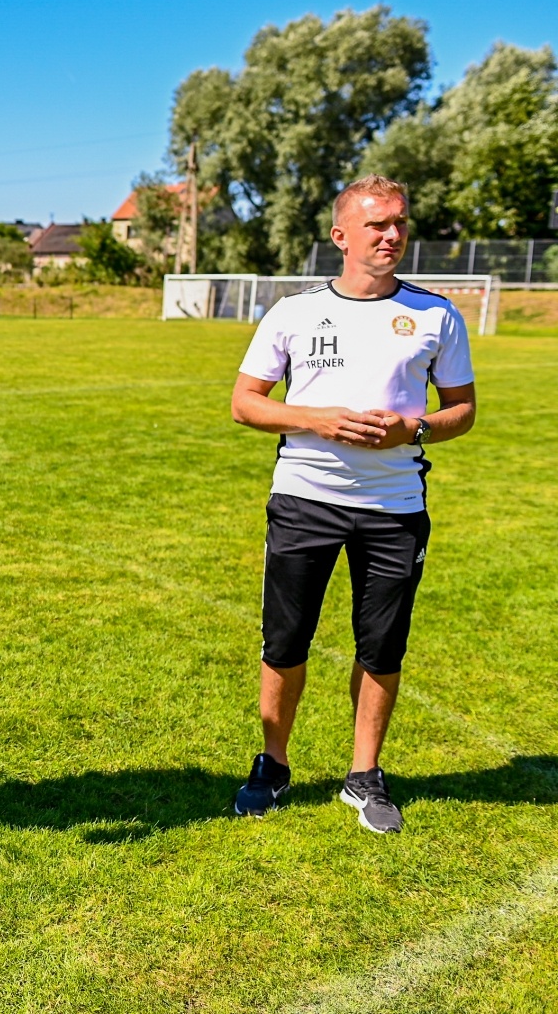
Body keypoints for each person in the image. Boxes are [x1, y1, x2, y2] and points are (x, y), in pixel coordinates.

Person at [229, 175, 477, 834]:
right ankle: (273, 763)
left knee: (382, 647)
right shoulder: (292, 313)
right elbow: (245, 402)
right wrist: (316, 418)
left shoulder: (435, 315)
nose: (392, 234)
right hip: (305, 499)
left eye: (399, 222)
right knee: (284, 641)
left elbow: (463, 411)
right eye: (377, 225)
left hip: (395, 507)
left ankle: (364, 774)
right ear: (341, 236)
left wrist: (415, 428)